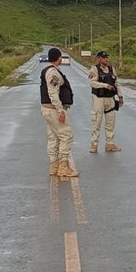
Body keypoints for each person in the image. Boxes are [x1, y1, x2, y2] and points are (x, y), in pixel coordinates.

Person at [41, 47, 77, 177]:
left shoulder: (50, 70)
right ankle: (63, 167)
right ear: (58, 58)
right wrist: (60, 110)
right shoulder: (53, 73)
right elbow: (53, 92)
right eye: (60, 57)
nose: (61, 59)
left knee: (53, 137)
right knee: (66, 135)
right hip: (53, 109)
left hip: (48, 109)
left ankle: (53, 166)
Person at [87, 50, 123, 153]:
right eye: (104, 57)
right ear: (98, 58)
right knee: (96, 122)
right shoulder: (94, 69)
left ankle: (110, 144)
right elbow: (92, 83)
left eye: (107, 57)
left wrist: (120, 96)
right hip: (99, 98)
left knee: (110, 122)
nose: (106, 59)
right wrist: (105, 85)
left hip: (110, 99)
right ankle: (94, 145)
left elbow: (116, 83)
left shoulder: (112, 69)